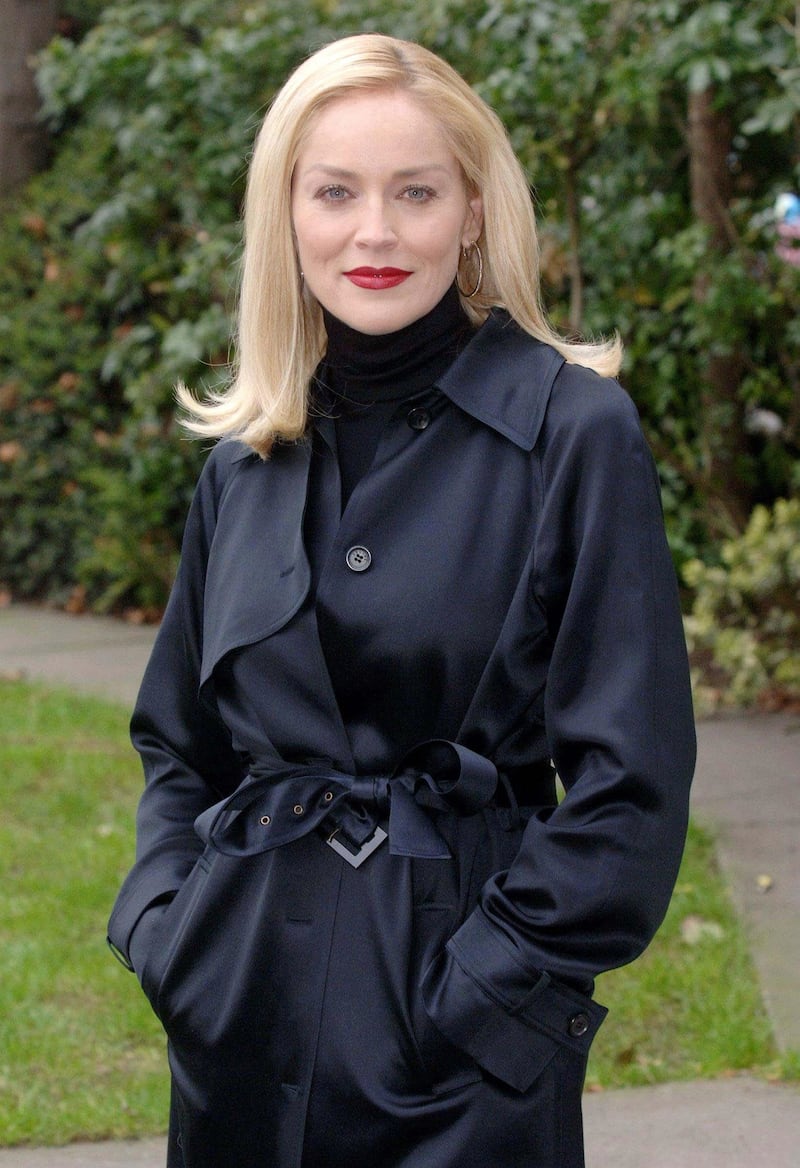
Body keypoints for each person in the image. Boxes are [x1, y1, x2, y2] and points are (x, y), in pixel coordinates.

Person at [108, 32, 696, 1168]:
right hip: (240, 1023)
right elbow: (177, 744)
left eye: (413, 192)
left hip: (462, 1053)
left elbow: (630, 783)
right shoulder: (246, 461)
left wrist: (488, 990)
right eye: (334, 192)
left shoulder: (569, 433)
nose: (372, 232)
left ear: (471, 210)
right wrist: (170, 931)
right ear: (286, 214)